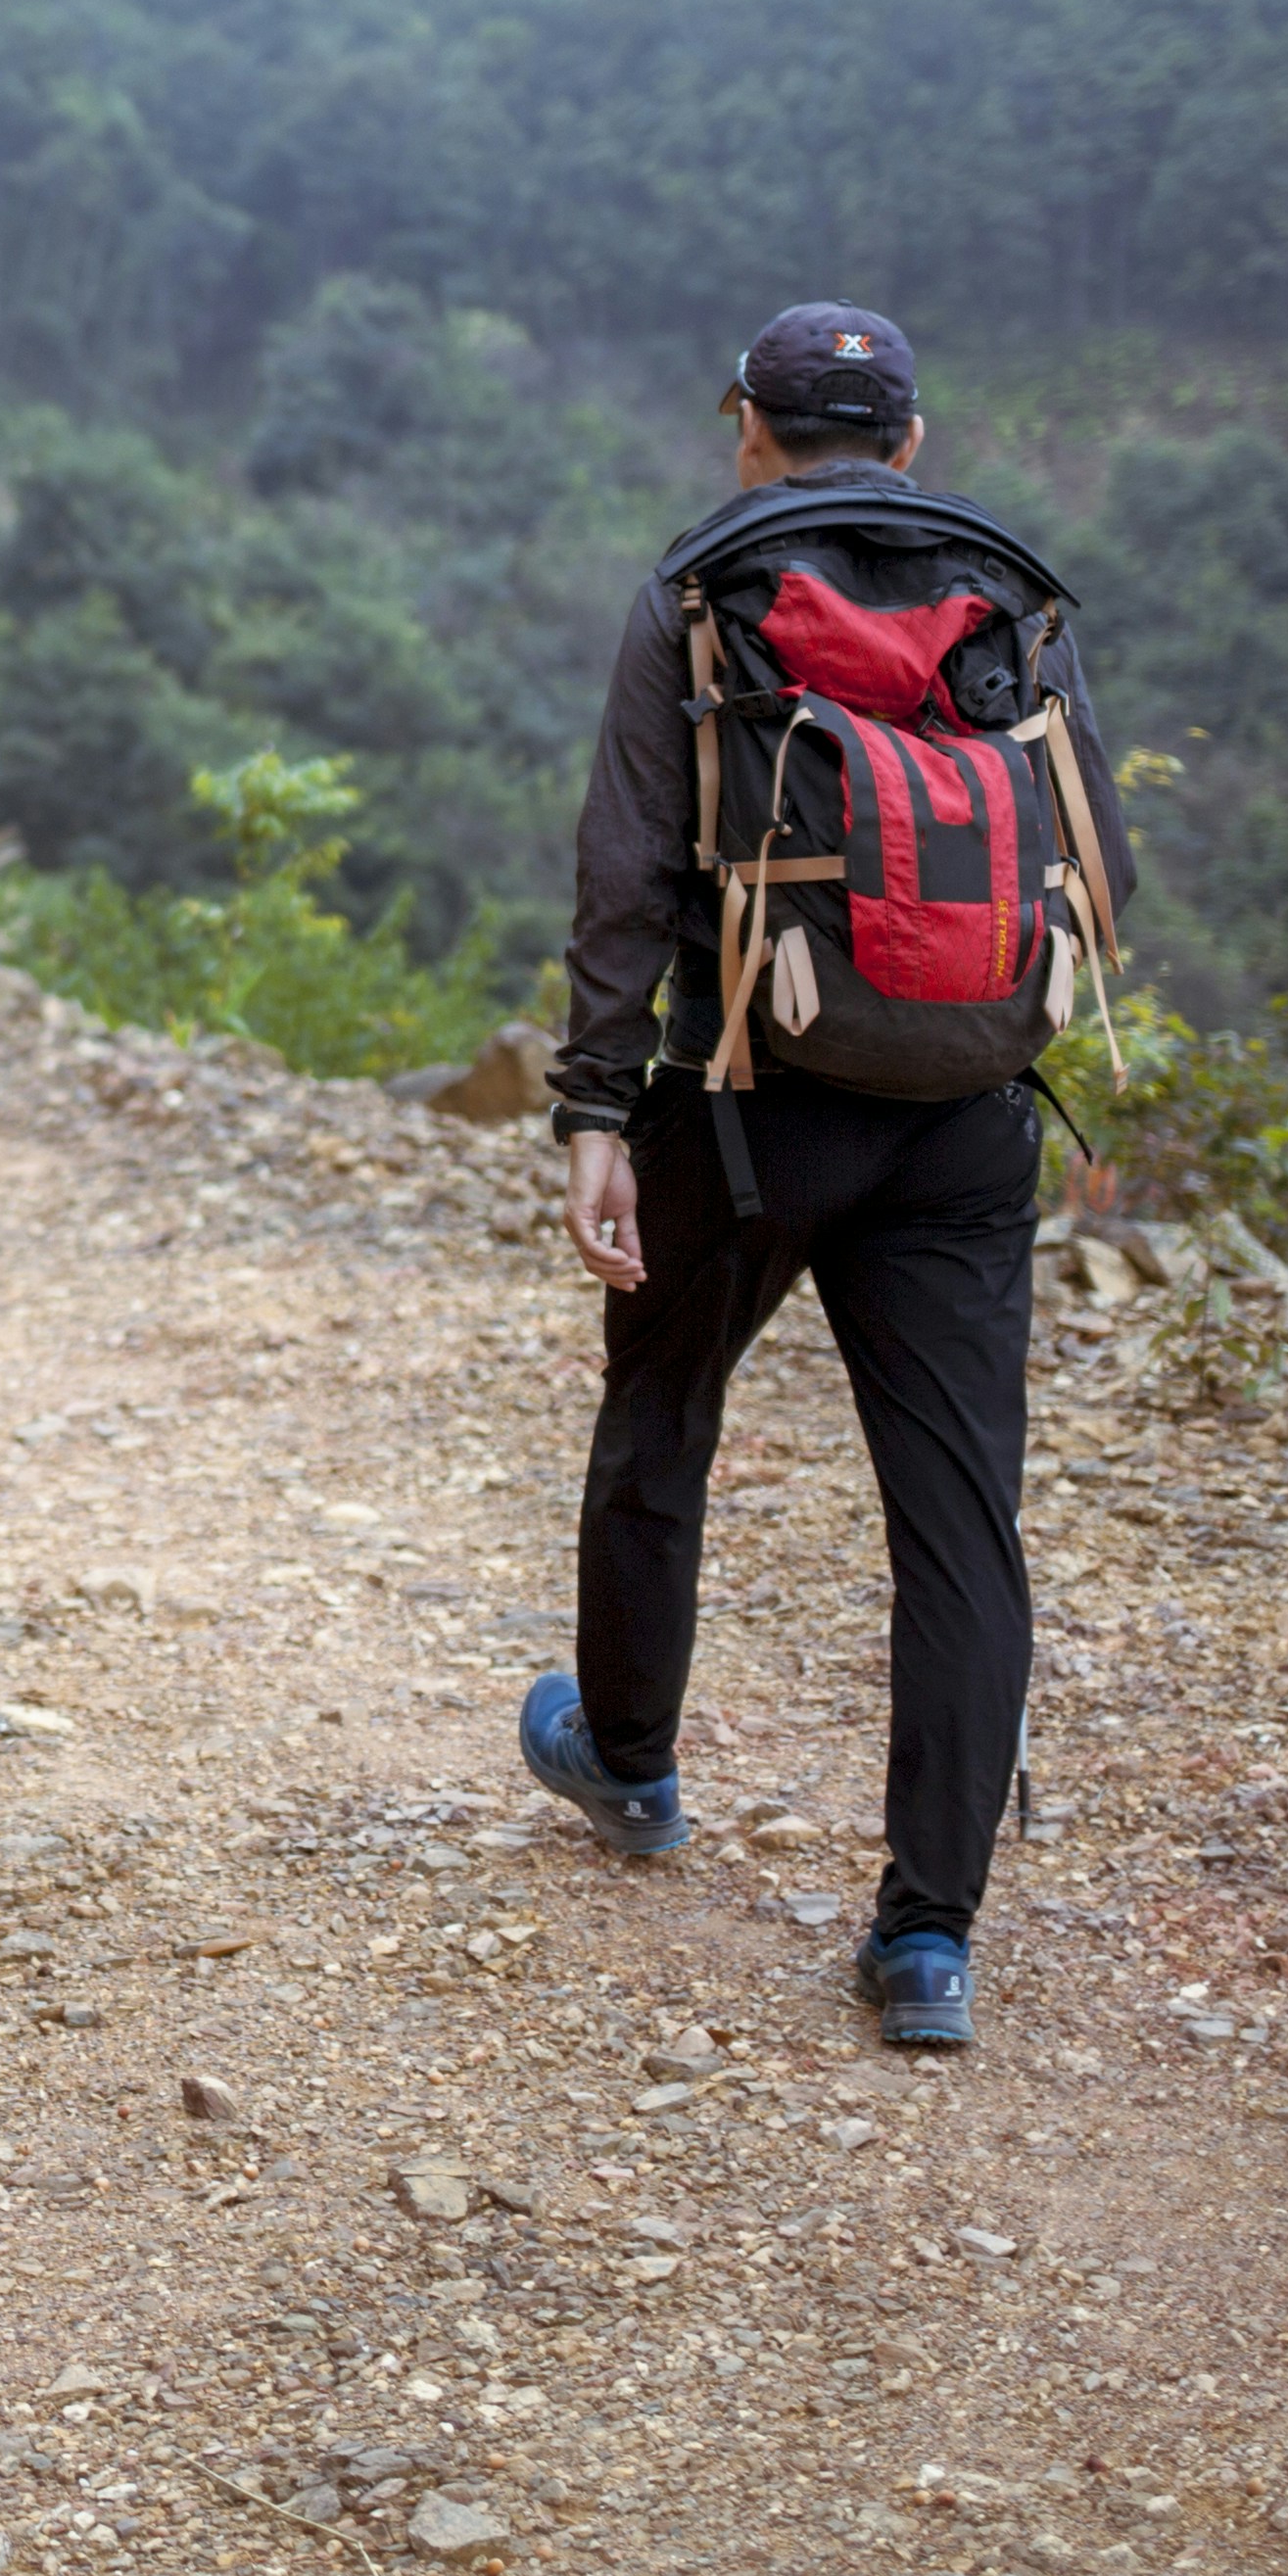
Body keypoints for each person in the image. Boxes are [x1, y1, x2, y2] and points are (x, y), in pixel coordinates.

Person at [529, 302, 1130, 2056]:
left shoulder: (698, 591)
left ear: (746, 428)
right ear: (914, 438)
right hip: (965, 1112)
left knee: (663, 1414)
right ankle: (928, 1934)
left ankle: (631, 1763)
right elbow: (1093, 854)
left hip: (743, 1099)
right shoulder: (1014, 600)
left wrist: (590, 1104)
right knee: (958, 1515)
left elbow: (625, 863)